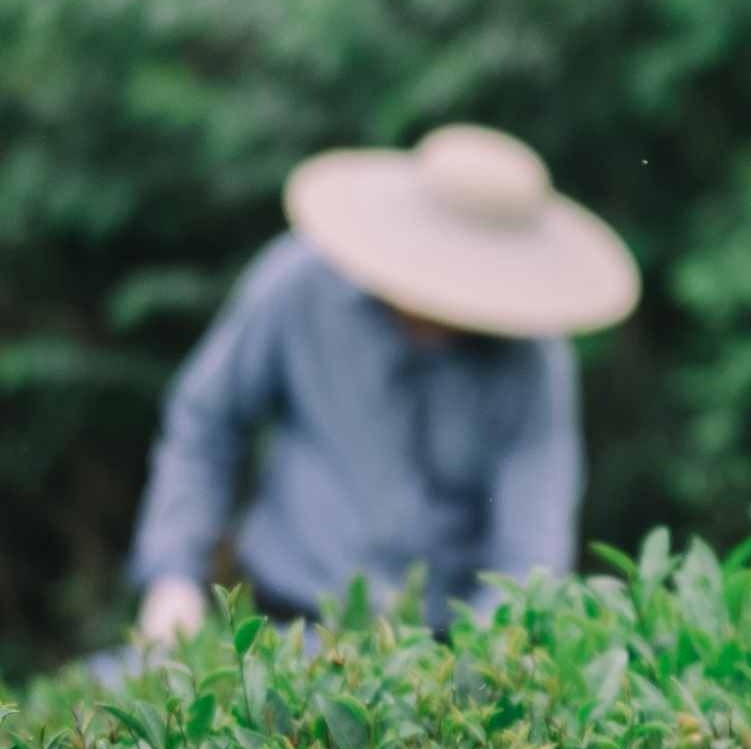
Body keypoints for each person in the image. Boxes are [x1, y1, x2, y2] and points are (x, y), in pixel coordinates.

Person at [131, 124, 637, 643]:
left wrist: (478, 659)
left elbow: (532, 548)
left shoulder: (535, 361)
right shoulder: (299, 282)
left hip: (440, 645)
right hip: (283, 617)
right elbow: (206, 421)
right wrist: (174, 576)